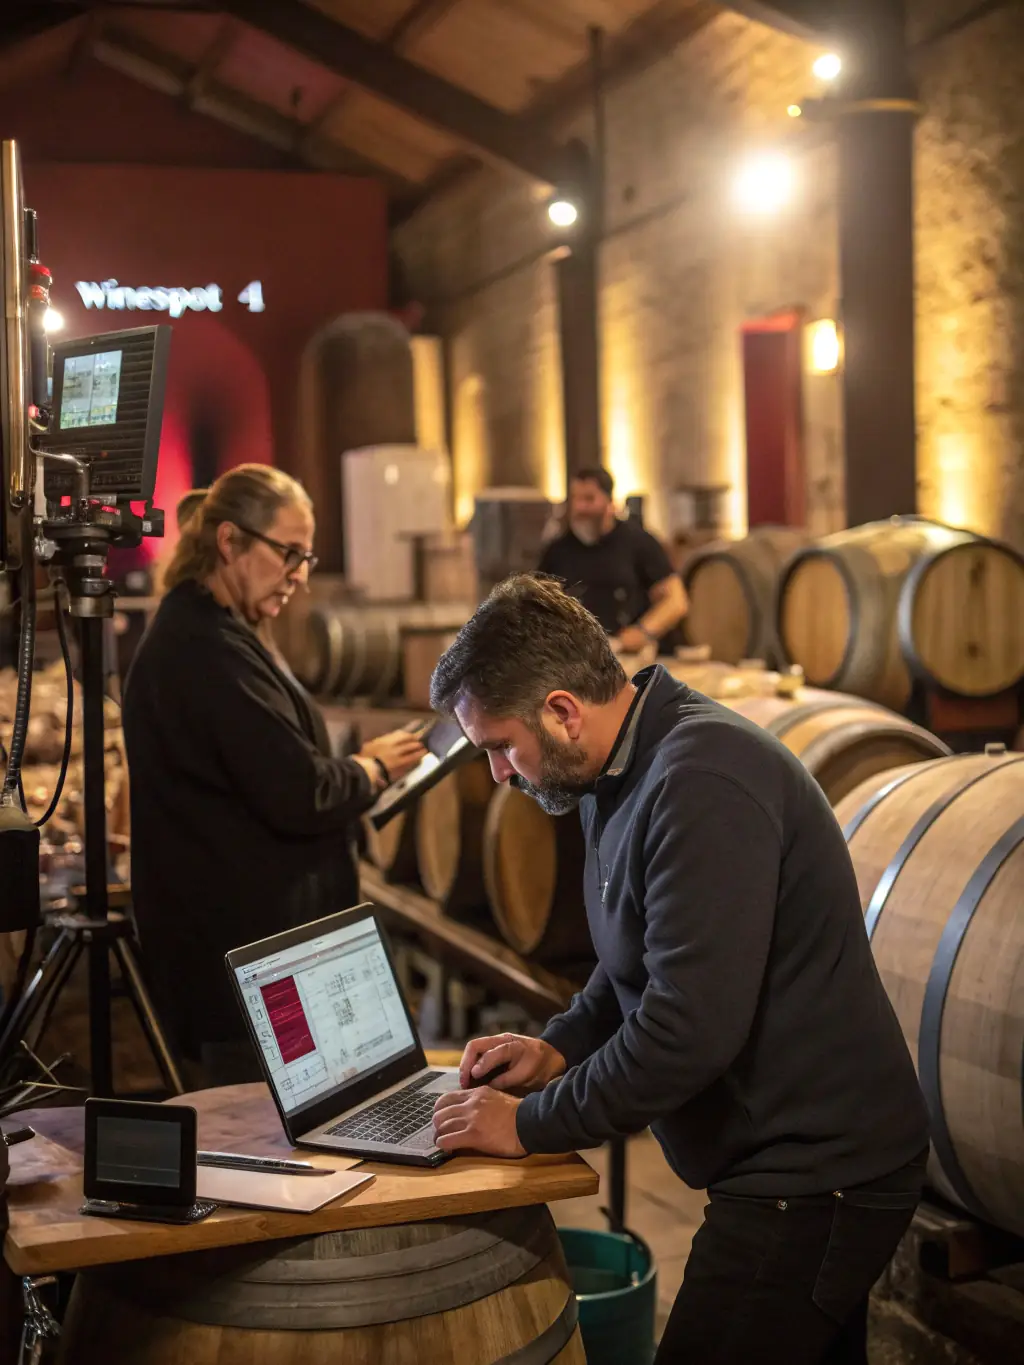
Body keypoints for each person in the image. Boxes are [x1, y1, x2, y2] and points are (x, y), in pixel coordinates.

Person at [428, 574, 930, 1365]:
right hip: (787, 1160)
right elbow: (635, 959)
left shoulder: (700, 782)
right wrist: (558, 1047)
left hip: (817, 1173)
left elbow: (687, 1028)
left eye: (498, 746)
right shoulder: (615, 768)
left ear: (561, 710)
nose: (497, 774)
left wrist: (528, 1124)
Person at [122, 464, 425, 1085]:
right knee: (267, 1148)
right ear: (230, 541)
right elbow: (297, 792)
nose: (301, 575)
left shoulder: (219, 631)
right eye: (289, 553)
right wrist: (370, 768)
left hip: (264, 950)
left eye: (307, 557)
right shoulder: (204, 648)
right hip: (249, 963)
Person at [537, 467, 687, 656]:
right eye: (575, 499)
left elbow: (676, 600)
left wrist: (643, 632)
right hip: (578, 661)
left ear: (609, 502)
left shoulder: (638, 542)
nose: (580, 508)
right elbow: (537, 606)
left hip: (631, 659)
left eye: (589, 499)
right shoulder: (557, 550)